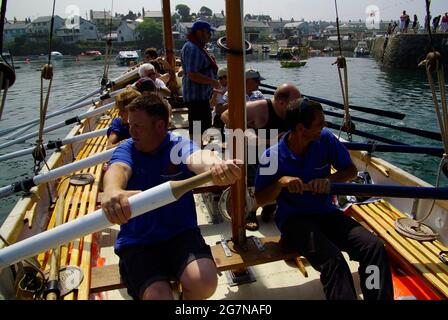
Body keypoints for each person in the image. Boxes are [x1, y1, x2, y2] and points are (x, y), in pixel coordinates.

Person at [101, 94, 242, 300]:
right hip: (139, 241)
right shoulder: (127, 148)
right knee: (158, 297)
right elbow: (118, 169)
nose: (131, 131)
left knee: (205, 284)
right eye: (130, 125)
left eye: (138, 126)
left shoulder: (178, 145)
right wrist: (113, 191)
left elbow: (198, 156)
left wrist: (216, 166)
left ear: (159, 126)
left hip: (180, 235)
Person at [254, 98, 394, 300]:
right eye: (320, 123)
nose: (325, 126)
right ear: (301, 128)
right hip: (295, 221)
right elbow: (259, 199)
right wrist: (280, 183)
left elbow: (350, 170)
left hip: (326, 213)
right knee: (333, 261)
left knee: (373, 247)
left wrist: (329, 180)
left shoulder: (326, 139)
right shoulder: (271, 156)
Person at [221, 83, 301, 230]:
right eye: (294, 103)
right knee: (254, 177)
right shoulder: (260, 108)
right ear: (281, 102)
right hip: (254, 151)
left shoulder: (293, 113)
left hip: (277, 153)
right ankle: (251, 212)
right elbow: (225, 115)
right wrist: (249, 133)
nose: (297, 108)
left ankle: (269, 208)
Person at [181, 21, 220, 135]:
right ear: (199, 32)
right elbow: (192, 74)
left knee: (203, 128)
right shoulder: (192, 48)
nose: (210, 35)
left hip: (200, 98)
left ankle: (200, 148)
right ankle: (198, 150)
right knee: (199, 131)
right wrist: (213, 82)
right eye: (208, 32)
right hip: (196, 99)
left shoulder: (196, 47)